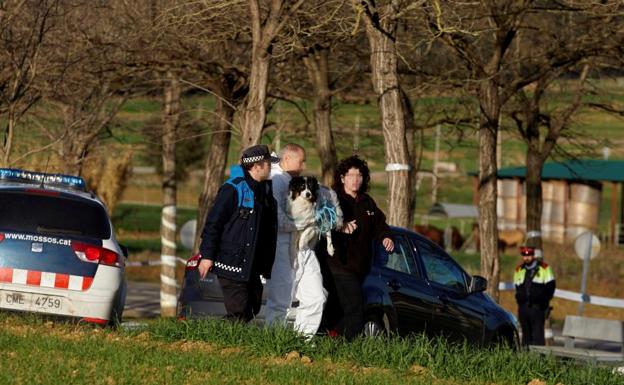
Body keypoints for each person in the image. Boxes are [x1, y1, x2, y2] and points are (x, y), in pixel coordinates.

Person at [197, 144, 278, 322]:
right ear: (257, 166)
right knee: (239, 311)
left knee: (253, 307)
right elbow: (213, 224)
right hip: (231, 261)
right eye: (268, 164)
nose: (271, 167)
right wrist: (207, 256)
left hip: (252, 265)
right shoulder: (232, 189)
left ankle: (226, 340)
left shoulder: (265, 191)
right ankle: (219, 344)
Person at [320, 155, 394, 339]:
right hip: (338, 265)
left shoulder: (367, 202)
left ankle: (326, 340)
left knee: (336, 310)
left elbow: (380, 225)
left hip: (359, 268)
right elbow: (322, 223)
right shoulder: (334, 198)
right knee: (356, 311)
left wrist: (385, 237)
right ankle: (341, 347)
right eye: (351, 175)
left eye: (359, 175)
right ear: (342, 178)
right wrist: (341, 226)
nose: (355, 179)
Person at [265, 143, 334, 337]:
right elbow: (277, 219)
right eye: (301, 161)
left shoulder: (294, 181)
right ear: (287, 158)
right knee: (281, 300)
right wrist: (308, 221)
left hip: (305, 247)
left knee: (317, 297)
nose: (303, 166)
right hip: (283, 247)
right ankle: (272, 343)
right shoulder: (276, 180)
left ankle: (303, 341)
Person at [513, 245, 556, 346]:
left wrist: (543, 303)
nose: (526, 257)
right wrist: (520, 299)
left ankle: (538, 360)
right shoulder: (519, 270)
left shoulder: (544, 268)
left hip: (538, 308)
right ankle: (526, 359)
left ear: (533, 255)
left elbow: (551, 288)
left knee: (538, 337)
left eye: (529, 255)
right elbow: (517, 288)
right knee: (525, 337)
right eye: (524, 255)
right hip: (523, 309)